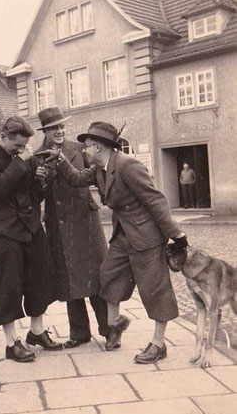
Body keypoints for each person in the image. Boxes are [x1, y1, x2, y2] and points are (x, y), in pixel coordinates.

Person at [43, 121, 188, 363]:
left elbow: (156, 201)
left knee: (154, 289)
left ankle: (158, 344)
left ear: (98, 147)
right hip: (123, 234)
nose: (83, 151)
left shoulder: (127, 166)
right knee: (108, 276)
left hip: (147, 235)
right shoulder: (99, 168)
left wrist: (177, 235)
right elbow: (77, 179)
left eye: (86, 147)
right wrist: (59, 159)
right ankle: (115, 324)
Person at [0, 116, 62, 363]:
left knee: (40, 279)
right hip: (2, 230)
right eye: (17, 146)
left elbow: (35, 194)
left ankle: (37, 332)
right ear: (3, 135)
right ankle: (12, 343)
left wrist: (42, 179)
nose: (22, 150)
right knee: (8, 286)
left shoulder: (23, 156)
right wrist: (22, 161)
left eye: (24, 146)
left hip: (30, 227)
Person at [36, 107, 109, 348]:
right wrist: (42, 180)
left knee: (96, 277)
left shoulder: (78, 149)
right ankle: (79, 333)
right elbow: (38, 194)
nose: (59, 131)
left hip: (85, 219)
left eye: (61, 127)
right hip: (59, 223)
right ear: (45, 131)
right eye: (53, 128)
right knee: (69, 278)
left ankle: (109, 330)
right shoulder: (38, 155)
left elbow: (92, 174)